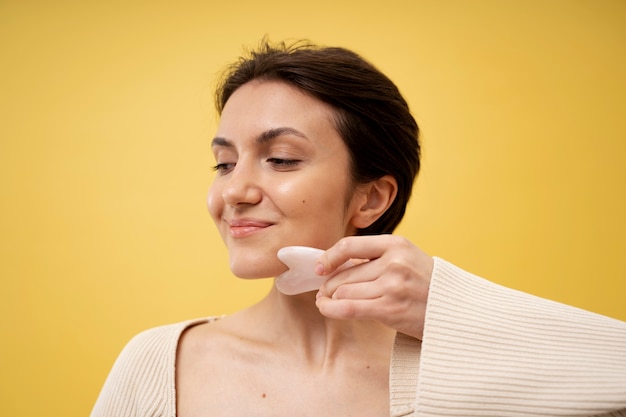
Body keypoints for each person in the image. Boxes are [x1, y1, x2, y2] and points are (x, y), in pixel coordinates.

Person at [90, 40, 626, 417]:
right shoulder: (161, 365)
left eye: (279, 158)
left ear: (371, 198)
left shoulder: (479, 372)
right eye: (225, 163)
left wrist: (454, 310)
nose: (233, 191)